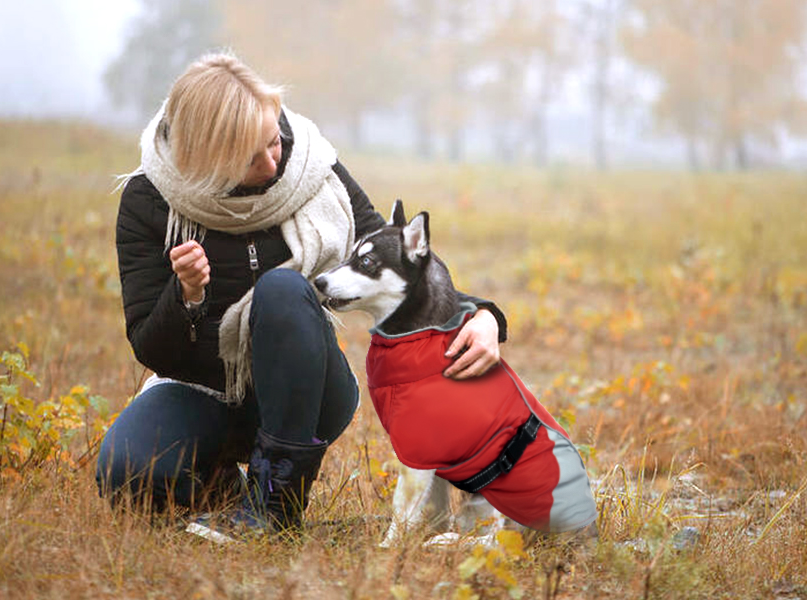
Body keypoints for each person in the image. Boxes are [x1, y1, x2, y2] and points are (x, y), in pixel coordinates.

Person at [96, 52, 508, 537]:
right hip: (199, 387)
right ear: (207, 160)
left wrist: (481, 316)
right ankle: (229, 492)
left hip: (308, 390)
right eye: (251, 158)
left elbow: (396, 263)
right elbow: (150, 346)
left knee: (284, 288)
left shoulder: (312, 168)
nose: (274, 163)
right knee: (125, 472)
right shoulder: (150, 200)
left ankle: (275, 507)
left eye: (274, 141)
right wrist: (186, 295)